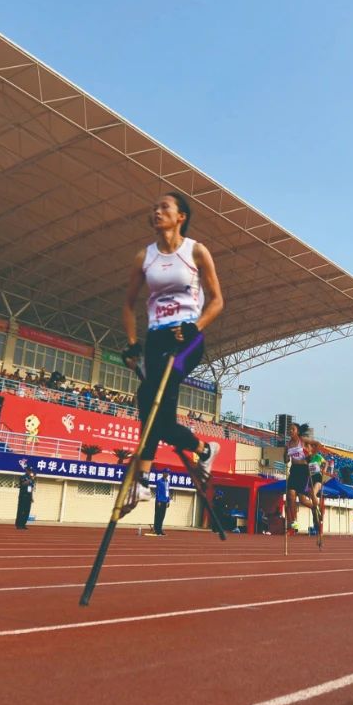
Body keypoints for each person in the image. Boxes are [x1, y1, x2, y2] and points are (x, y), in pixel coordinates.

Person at [117, 192, 224, 516]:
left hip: (187, 337)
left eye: (165, 207)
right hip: (156, 338)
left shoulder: (196, 251)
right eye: (154, 207)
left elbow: (218, 300)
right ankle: (200, 451)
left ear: (182, 216)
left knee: (152, 399)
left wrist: (196, 326)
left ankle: (147, 478)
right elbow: (128, 304)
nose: (157, 211)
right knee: (153, 412)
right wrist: (134, 342)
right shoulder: (144, 257)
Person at [284, 423, 310, 534]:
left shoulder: (303, 441)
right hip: (294, 469)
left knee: (303, 500)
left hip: (303, 470)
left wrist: (308, 455)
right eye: (289, 429)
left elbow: (310, 455)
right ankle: (294, 521)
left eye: (292, 429)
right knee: (290, 496)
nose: (290, 431)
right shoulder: (288, 444)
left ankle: (315, 507)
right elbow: (286, 460)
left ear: (297, 431)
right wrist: (285, 455)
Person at [15, 465, 35, 530]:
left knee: (27, 511)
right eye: (29, 470)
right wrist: (29, 480)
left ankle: (23, 524)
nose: (30, 472)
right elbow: (22, 484)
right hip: (23, 496)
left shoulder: (31, 479)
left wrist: (32, 497)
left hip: (28, 497)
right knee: (21, 511)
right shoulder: (23, 477)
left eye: (31, 471)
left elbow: (31, 489)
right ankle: (18, 525)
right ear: (26, 470)